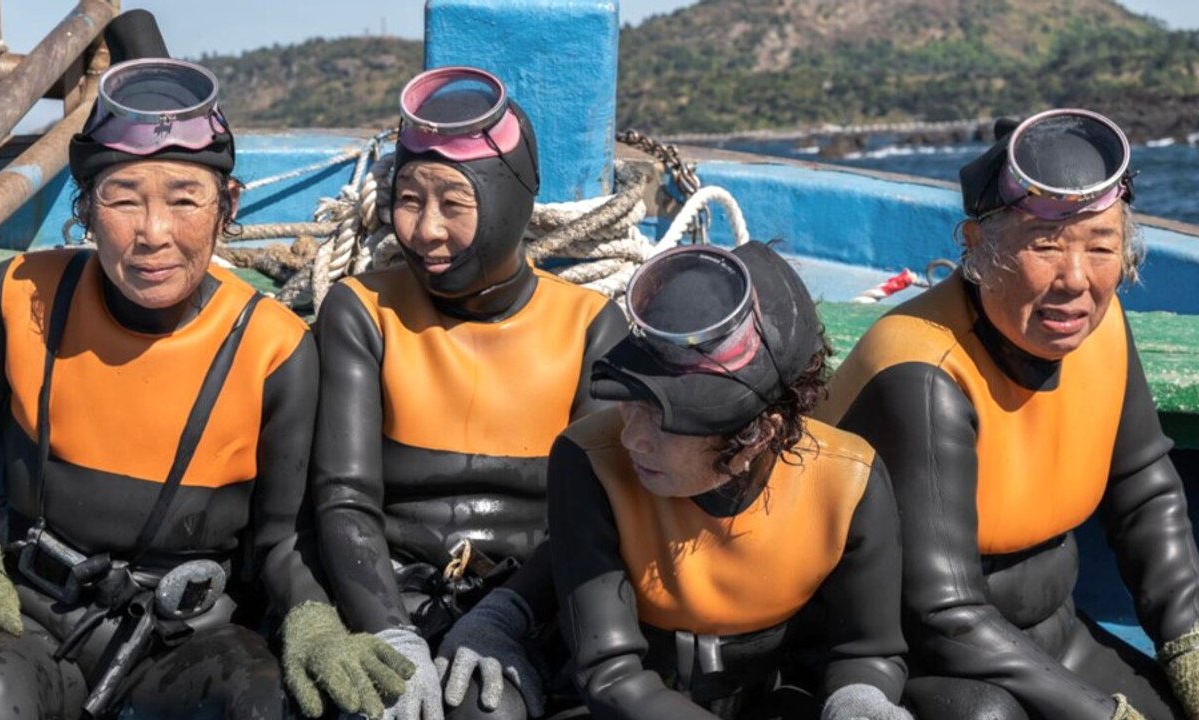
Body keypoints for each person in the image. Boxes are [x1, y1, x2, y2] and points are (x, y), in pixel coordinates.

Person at [0, 13, 411, 720]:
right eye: (123, 199)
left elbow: (281, 538)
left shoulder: (271, 348)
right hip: (29, 616)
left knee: (274, 705)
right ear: (87, 211)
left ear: (226, 208)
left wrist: (313, 620)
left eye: (185, 200)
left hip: (188, 640)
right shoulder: (23, 295)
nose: (154, 233)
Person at [817, 108, 1199, 719]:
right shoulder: (923, 371)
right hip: (914, 658)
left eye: (1102, 246)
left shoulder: (1096, 328)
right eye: (1044, 245)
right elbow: (944, 615)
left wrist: (1189, 647)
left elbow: (1143, 491)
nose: (1076, 280)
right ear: (978, 246)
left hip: (1055, 637)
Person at [312, 66, 627, 720]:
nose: (426, 230)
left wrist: (504, 616)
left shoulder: (589, 327)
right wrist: (389, 632)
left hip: (530, 603)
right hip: (391, 594)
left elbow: (592, 518)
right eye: (409, 199)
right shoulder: (364, 311)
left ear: (511, 198)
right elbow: (343, 498)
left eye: (453, 204)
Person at [548, 242, 912, 720]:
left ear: (761, 434)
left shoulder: (848, 479)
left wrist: (859, 701)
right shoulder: (588, 461)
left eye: (666, 420)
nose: (631, 438)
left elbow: (867, 651)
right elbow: (611, 676)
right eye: (630, 398)